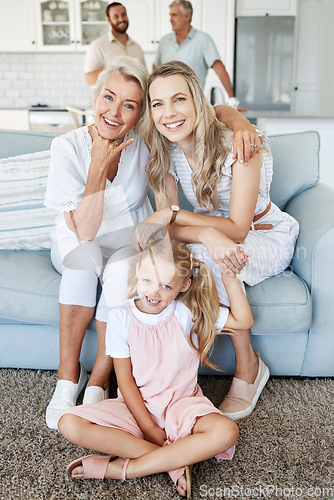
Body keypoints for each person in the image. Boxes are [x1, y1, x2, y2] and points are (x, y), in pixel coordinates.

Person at [43, 55, 261, 431]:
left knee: (120, 274)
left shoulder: (148, 141)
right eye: (108, 98)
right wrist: (97, 161)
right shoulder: (66, 147)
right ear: (94, 98)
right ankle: (66, 380)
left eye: (129, 105)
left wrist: (241, 120)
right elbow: (85, 232)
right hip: (79, 236)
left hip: (127, 238)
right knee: (80, 265)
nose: (114, 112)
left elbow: (209, 110)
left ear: (139, 112)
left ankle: (99, 380)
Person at [136, 61, 300, 421]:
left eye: (179, 99)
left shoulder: (239, 143)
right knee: (171, 260)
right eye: (157, 103)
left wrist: (176, 215)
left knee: (211, 260)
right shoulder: (166, 150)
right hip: (216, 234)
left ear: (197, 101)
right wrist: (203, 231)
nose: (168, 113)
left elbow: (239, 228)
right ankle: (171, 370)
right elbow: (167, 230)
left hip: (265, 235)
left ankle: (249, 367)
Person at [58, 238, 253, 498]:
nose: (154, 292)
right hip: (135, 406)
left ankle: (127, 468)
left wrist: (229, 275)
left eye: (166, 285)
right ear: (138, 272)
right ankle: (174, 462)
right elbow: (125, 380)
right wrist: (149, 428)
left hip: (182, 405)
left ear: (183, 286)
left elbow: (243, 320)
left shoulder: (187, 312)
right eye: (148, 280)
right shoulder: (120, 316)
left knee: (227, 431)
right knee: (68, 422)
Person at [154, 0, 241, 109]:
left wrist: (232, 99)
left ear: (187, 16)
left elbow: (219, 68)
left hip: (193, 105)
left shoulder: (203, 40)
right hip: (165, 105)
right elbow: (155, 69)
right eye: (170, 15)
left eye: (174, 15)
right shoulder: (164, 42)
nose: (171, 19)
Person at [84, 2, 146, 86]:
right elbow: (89, 79)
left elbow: (144, 76)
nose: (121, 19)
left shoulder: (137, 47)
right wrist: (115, 74)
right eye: (116, 16)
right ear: (109, 20)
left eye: (123, 14)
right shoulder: (98, 45)